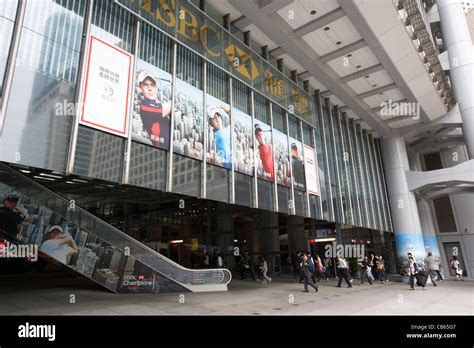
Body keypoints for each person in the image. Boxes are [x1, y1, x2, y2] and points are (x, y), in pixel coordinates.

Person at [137, 71, 172, 148]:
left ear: (156, 88)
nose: (150, 89)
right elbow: (169, 107)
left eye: (152, 85)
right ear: (140, 88)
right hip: (161, 150)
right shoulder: (145, 107)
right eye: (146, 85)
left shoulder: (156, 104)